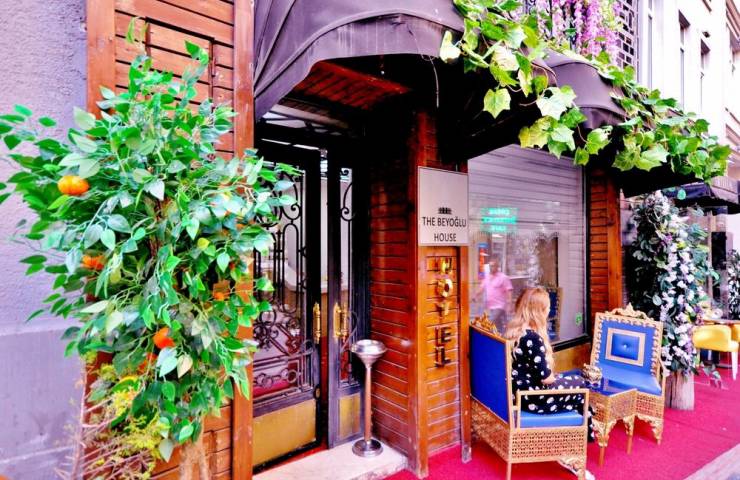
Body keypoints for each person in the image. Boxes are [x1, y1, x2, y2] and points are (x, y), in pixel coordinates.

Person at [504, 287, 596, 479]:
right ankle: (572, 453)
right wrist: (560, 380)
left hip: (519, 394)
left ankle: (574, 443)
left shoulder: (514, 332)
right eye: (547, 308)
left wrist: (561, 380)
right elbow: (546, 378)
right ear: (538, 311)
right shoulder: (533, 338)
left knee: (575, 382)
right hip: (533, 399)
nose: (549, 312)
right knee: (582, 388)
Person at [475, 258, 513, 333]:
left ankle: (486, 336)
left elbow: (509, 290)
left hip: (500, 306)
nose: (491, 267)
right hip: (491, 306)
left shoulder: (503, 277)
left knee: (490, 322)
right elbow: (481, 288)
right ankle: (502, 336)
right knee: (499, 325)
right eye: (490, 266)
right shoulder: (487, 278)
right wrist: (474, 296)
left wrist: (509, 304)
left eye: (493, 266)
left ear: (497, 267)